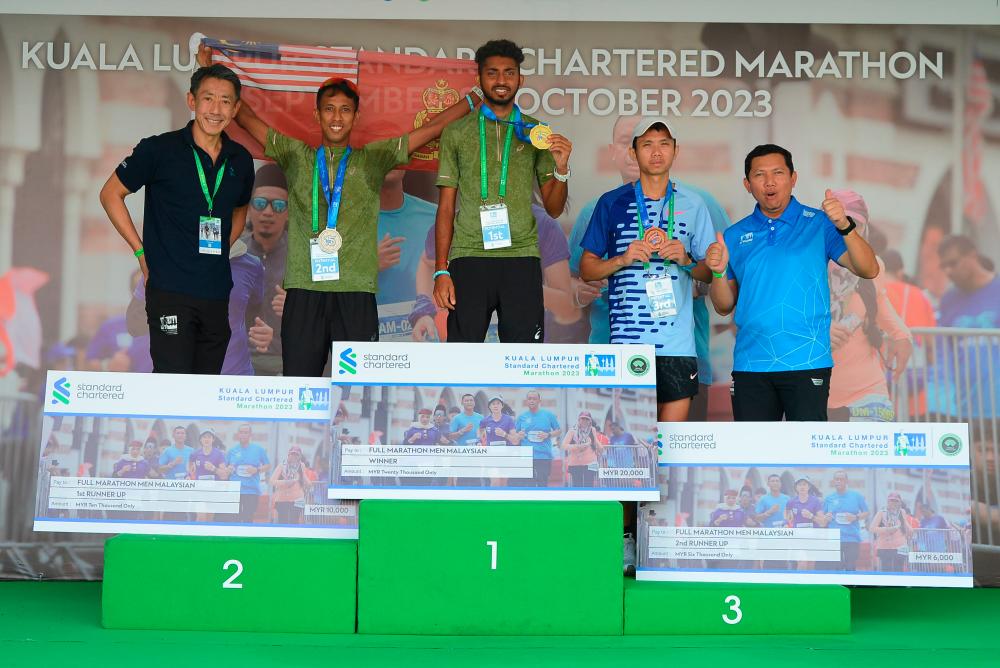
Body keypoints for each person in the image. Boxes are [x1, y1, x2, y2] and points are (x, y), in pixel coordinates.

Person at [197, 47, 482, 376]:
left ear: (356, 117)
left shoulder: (374, 159)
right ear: (317, 115)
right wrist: (210, 71)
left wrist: (473, 99)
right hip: (305, 293)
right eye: (329, 109)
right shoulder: (296, 155)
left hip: (356, 294)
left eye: (345, 110)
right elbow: (245, 118)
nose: (336, 117)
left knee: (355, 391)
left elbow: (431, 129)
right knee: (301, 384)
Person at [568, 114, 731, 419]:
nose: (656, 152)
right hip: (625, 345)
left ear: (675, 150)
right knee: (630, 447)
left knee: (671, 448)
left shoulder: (695, 203)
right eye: (647, 145)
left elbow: (708, 273)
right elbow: (586, 269)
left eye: (664, 144)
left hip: (678, 345)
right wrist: (622, 259)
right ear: (633, 151)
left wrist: (685, 260)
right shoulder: (610, 203)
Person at [100, 62, 255, 374]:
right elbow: (110, 194)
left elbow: (240, 208)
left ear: (236, 108)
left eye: (226, 101)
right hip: (169, 289)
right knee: (173, 381)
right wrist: (140, 252)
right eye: (208, 98)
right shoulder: (159, 149)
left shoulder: (240, 158)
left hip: (215, 290)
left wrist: (223, 248)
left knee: (205, 384)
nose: (216, 109)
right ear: (191, 101)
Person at [705, 144, 880, 421]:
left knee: (808, 460)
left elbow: (869, 269)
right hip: (752, 363)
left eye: (778, 173)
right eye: (760, 175)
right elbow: (724, 305)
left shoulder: (820, 224)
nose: (770, 182)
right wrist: (716, 272)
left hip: (808, 361)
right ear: (747, 184)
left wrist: (845, 225)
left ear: (793, 178)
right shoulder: (735, 235)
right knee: (756, 460)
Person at [432, 39, 572, 343]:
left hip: (521, 257)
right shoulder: (456, 132)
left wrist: (561, 169)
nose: (501, 81)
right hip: (469, 256)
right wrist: (441, 271)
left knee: (523, 362)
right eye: (492, 73)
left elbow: (554, 208)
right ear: (479, 78)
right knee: (462, 359)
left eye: (509, 73)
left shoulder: (537, 132)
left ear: (520, 79)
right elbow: (445, 207)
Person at [826, 190, 912, 422]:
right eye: (837, 225)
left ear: (865, 228)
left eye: (854, 226)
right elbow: (780, 315)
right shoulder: (806, 264)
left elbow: (879, 301)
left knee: (872, 460)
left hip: (866, 392)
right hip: (811, 392)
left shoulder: (874, 266)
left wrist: (901, 334)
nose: (845, 233)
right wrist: (819, 329)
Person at [126, 239, 273, 375]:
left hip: (234, 379)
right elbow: (134, 324)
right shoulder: (167, 258)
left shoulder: (252, 265)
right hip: (182, 378)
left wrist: (262, 333)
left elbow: (253, 317)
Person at [931, 234, 1000, 423]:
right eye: (944, 266)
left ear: (973, 256)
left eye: (953, 263)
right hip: (964, 409)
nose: (948, 271)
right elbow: (942, 351)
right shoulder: (948, 300)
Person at [243, 163, 289, 376]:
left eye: (278, 205)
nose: (268, 212)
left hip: (286, 364)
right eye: (260, 203)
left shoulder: (303, 258)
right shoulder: (233, 253)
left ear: (288, 213)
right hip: (237, 363)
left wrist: (298, 306)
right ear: (250, 208)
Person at [822, 470, 870, 571]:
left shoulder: (857, 496)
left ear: (846, 481)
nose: (838, 481)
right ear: (834, 481)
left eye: (841, 479)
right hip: (834, 538)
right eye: (836, 479)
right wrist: (826, 517)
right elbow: (823, 518)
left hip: (851, 538)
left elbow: (866, 513)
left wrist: (855, 517)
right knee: (835, 568)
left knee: (850, 567)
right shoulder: (829, 498)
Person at [222, 423, 270, 522]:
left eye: (246, 432)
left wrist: (257, 470)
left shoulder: (259, 449)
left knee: (248, 518)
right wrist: (228, 470)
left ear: (250, 435)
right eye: (241, 432)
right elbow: (224, 470)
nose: (243, 435)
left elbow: (268, 465)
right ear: (238, 434)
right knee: (234, 519)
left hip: (251, 491)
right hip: (235, 490)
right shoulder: (232, 451)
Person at [513, 390, 561, 487]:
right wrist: (519, 435)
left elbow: (559, 430)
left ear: (539, 401)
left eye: (534, 399)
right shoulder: (522, 417)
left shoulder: (548, 415)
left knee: (542, 485)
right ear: (526, 401)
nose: (532, 401)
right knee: (528, 485)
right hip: (526, 456)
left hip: (543, 456)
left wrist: (548, 434)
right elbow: (515, 435)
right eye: (529, 398)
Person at [560, 411, 606, 488]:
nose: (584, 421)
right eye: (582, 419)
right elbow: (563, 446)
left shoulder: (592, 430)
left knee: (589, 485)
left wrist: (601, 448)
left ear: (590, 421)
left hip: (591, 463)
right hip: (576, 463)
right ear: (579, 420)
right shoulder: (572, 431)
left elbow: (595, 441)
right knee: (578, 486)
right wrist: (578, 446)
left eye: (587, 419)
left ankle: (588, 500)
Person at [870, 491, 912, 573]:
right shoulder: (882, 512)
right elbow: (872, 528)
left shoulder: (902, 512)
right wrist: (886, 530)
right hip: (885, 547)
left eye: (896, 501)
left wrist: (910, 529)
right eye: (891, 500)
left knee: (899, 571)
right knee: (887, 571)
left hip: (900, 547)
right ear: (888, 501)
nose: (894, 503)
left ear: (900, 502)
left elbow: (905, 524)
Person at [449, 393, 485, 487]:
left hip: (477, 456)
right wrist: (462, 431)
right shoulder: (457, 418)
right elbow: (450, 436)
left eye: (471, 400)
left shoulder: (481, 418)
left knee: (477, 482)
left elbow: (485, 435)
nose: (469, 402)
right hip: (462, 456)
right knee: (462, 482)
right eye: (466, 400)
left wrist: (481, 441)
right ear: (462, 403)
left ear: (474, 402)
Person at [269, 445, 311, 524]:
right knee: (283, 522)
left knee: (294, 522)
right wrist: (285, 482)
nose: (294, 456)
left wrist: (309, 483)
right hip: (282, 499)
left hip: (297, 499)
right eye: (292, 454)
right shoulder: (282, 466)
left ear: (300, 456)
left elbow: (303, 476)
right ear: (288, 454)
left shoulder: (301, 465)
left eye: (296, 454)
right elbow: (272, 481)